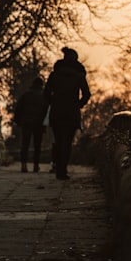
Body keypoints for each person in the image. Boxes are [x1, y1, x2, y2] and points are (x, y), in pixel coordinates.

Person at [43, 47, 91, 180]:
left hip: (57, 111)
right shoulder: (79, 76)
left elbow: (46, 93)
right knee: (67, 142)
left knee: (58, 141)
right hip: (71, 112)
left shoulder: (54, 75)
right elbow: (86, 94)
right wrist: (78, 105)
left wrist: (53, 102)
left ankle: (58, 168)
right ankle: (63, 170)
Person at [13, 76, 49, 173]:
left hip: (27, 122)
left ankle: (23, 165)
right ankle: (35, 165)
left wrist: (18, 121)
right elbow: (46, 111)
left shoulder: (26, 95)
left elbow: (18, 109)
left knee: (25, 144)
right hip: (39, 124)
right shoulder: (44, 96)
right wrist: (45, 124)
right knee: (37, 145)